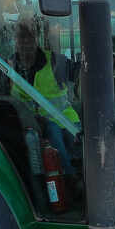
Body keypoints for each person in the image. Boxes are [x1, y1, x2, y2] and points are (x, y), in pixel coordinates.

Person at [11, 21, 80, 172]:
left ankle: (76, 178)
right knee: (52, 133)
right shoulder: (7, 66)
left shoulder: (56, 61)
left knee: (84, 150)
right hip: (33, 124)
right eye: (21, 38)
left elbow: (81, 75)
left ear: (37, 40)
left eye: (30, 38)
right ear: (15, 41)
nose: (26, 42)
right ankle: (69, 179)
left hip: (67, 121)